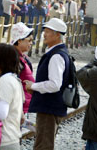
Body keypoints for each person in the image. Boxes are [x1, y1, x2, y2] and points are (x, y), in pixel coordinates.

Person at [25, 18, 70, 150]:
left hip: (49, 108)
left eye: (49, 31)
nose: (44, 34)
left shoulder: (56, 56)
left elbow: (54, 84)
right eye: (45, 31)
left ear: (57, 35)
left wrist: (33, 86)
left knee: (43, 145)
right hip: (50, 107)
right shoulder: (57, 53)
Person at [11, 22, 35, 115]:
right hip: (18, 106)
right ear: (19, 40)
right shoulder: (14, 59)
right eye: (29, 40)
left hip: (23, 103)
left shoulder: (22, 57)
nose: (31, 43)